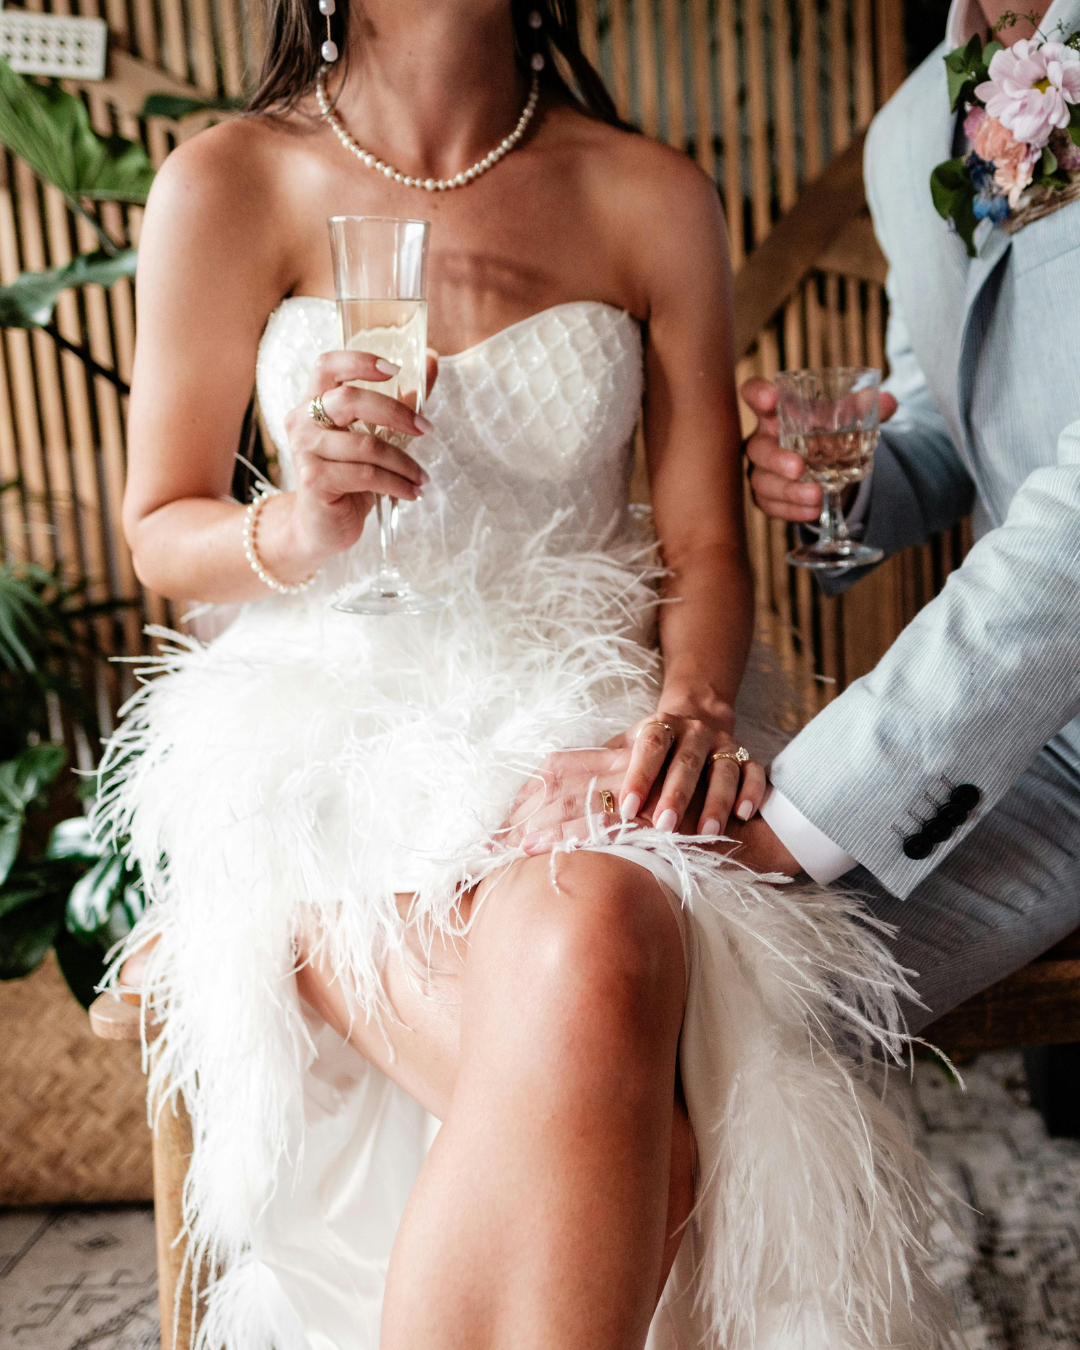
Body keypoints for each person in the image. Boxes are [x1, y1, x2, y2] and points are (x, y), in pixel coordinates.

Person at [99, 3, 950, 1347]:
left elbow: (701, 549)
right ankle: (301, 918)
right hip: (327, 721)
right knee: (645, 1149)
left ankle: (349, 947)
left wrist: (691, 709)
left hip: (581, 710)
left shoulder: (649, 193)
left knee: (609, 939)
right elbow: (162, 528)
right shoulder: (229, 179)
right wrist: (301, 520)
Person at [737, 0, 1080, 1032]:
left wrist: (808, 817)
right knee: (719, 994)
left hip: (1003, 701)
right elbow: (941, 404)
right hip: (1030, 736)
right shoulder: (904, 133)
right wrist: (844, 483)